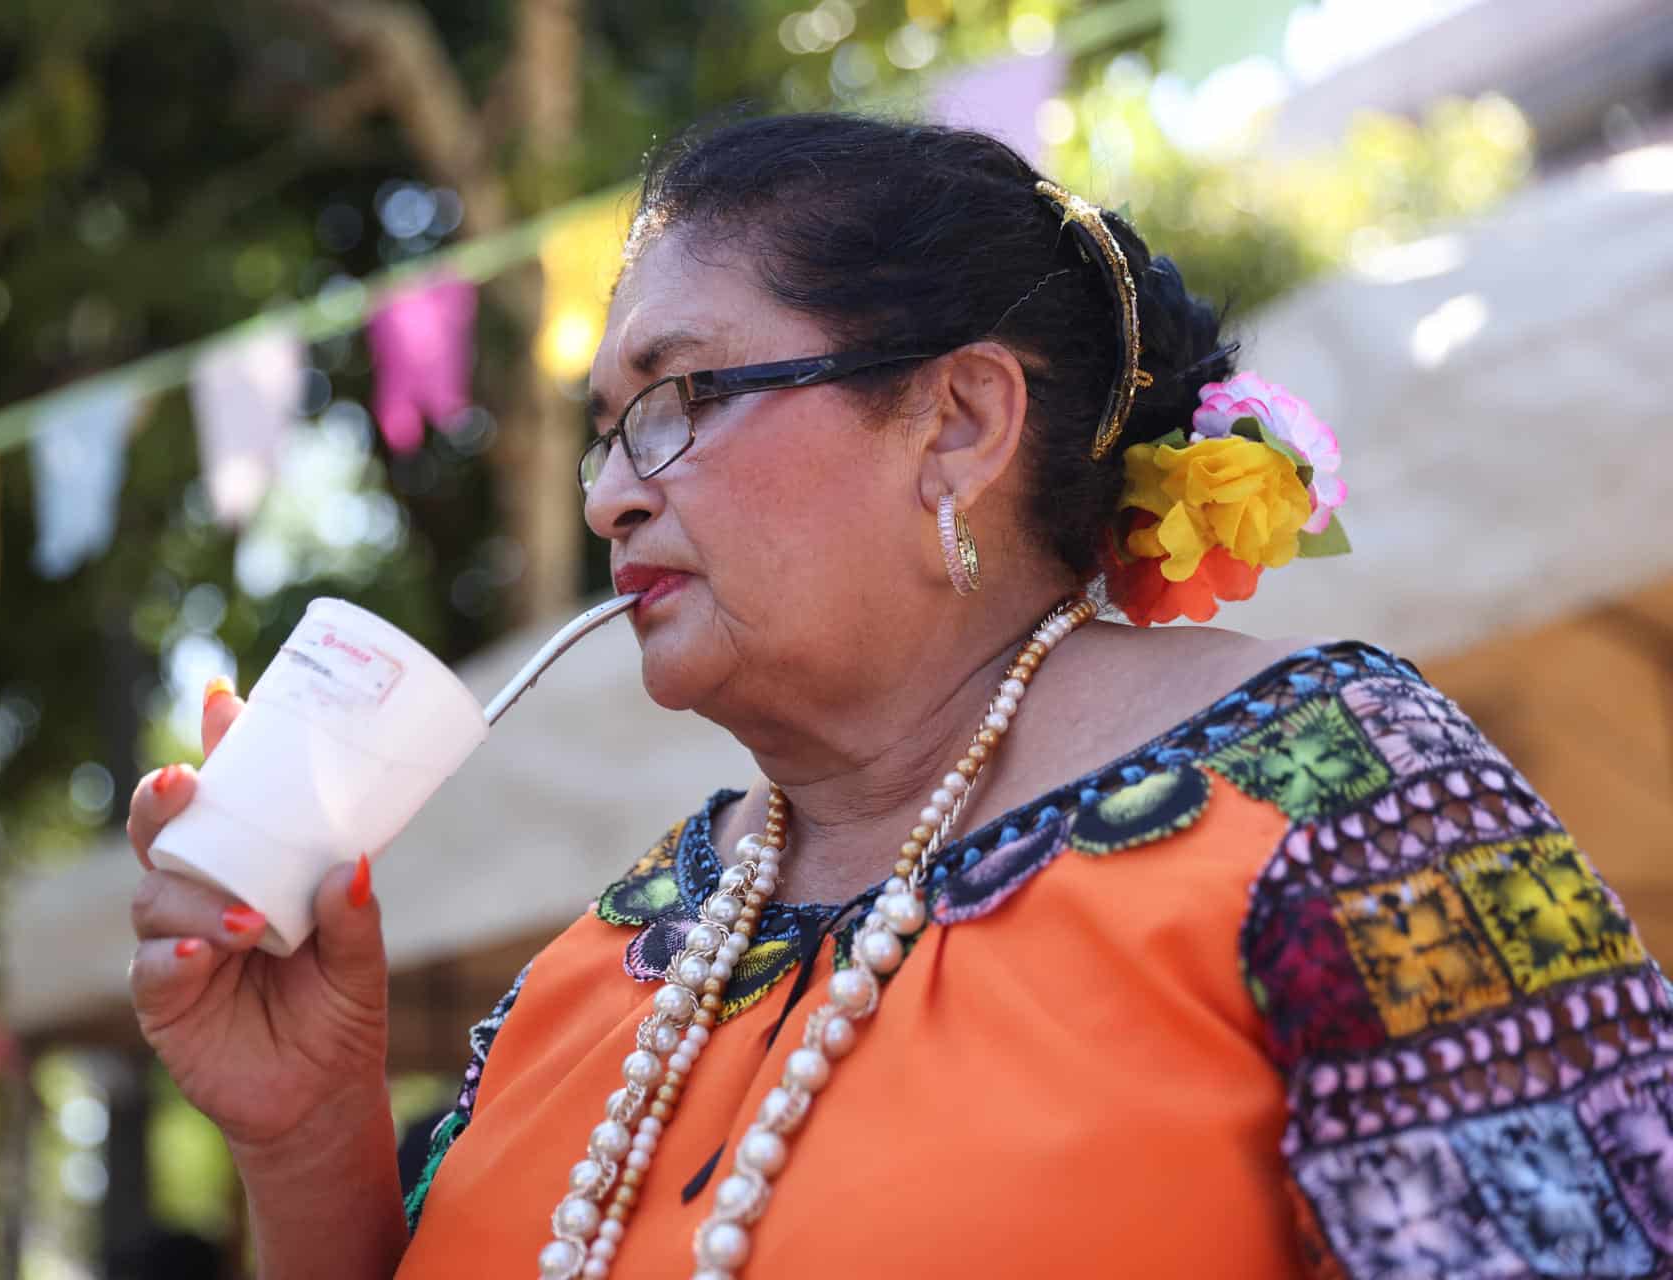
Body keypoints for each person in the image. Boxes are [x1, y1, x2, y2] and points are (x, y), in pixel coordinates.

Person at [125, 115, 1673, 1279]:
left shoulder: (1345, 794)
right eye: (604, 433)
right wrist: (309, 1135)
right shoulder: (614, 949)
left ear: (957, 423)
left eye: (675, 402)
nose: (610, 496)